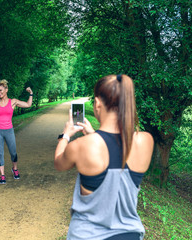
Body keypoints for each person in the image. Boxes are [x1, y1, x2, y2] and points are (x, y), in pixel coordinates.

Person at [54, 74, 154, 239]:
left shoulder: (83, 145)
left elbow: (59, 163)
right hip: (129, 235)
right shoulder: (145, 141)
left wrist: (65, 135)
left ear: (97, 103)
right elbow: (115, 151)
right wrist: (94, 134)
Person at [0, 79, 33, 184]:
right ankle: (2, 175)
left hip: (9, 131)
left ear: (6, 89)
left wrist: (31, 94)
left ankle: (14, 169)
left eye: (1, 90)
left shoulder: (13, 102)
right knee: (0, 153)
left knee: (13, 152)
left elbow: (28, 105)